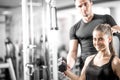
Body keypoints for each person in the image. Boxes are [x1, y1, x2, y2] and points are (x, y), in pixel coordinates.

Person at [67, 0, 120, 71]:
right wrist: (68, 66)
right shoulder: (74, 28)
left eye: (86, 4)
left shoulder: (106, 18)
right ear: (76, 8)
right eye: (80, 6)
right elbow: (73, 52)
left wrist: (112, 29)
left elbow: (117, 29)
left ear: (91, 3)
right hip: (87, 67)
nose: (84, 8)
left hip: (106, 65)